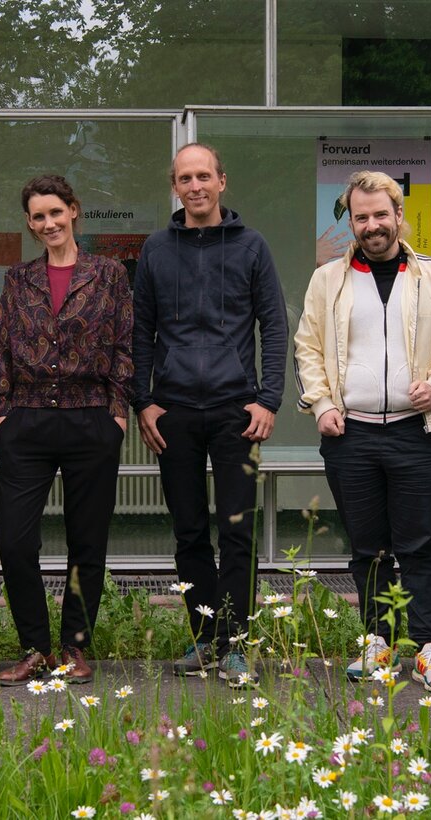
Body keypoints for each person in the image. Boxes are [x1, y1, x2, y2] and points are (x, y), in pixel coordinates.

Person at [294, 171, 431, 692]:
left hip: (417, 431)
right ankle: (378, 639)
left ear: (399, 216)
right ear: (351, 221)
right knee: (367, 546)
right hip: (352, 436)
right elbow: (307, 345)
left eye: (380, 215)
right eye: (361, 217)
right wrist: (321, 404)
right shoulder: (328, 279)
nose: (371, 225)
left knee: (420, 544)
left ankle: (428, 646)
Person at [132, 143, 288, 689]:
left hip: (234, 412)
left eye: (204, 176)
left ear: (222, 181)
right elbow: (140, 331)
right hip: (172, 412)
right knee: (189, 531)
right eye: (184, 178)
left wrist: (269, 399)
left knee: (237, 529)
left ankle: (236, 644)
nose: (195, 186)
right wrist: (143, 399)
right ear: (174, 187)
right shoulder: (156, 249)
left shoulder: (252, 247)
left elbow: (274, 325)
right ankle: (203, 637)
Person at [0, 174, 133, 686]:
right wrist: (2, 413)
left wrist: (117, 412)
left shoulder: (109, 274)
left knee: (86, 541)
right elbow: (2, 346)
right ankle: (34, 647)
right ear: (30, 224)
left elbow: (124, 344)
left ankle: (74, 648)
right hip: (25, 420)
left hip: (91, 416)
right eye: (38, 216)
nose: (48, 222)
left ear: (74, 211)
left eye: (56, 212)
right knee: (14, 539)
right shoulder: (19, 278)